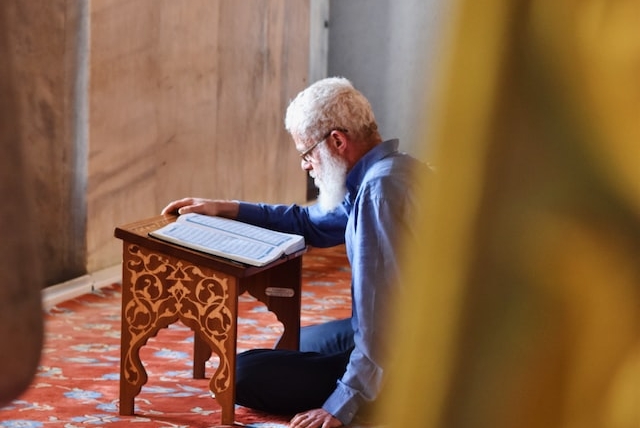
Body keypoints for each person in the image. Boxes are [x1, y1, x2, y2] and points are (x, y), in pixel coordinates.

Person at [162, 77, 428, 428]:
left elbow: (383, 316)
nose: (305, 165)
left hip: (420, 350)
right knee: (295, 344)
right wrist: (229, 208)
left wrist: (339, 406)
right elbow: (310, 223)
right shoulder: (391, 172)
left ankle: (396, 401)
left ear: (337, 141)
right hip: (418, 329)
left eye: (307, 153)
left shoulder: (379, 193)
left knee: (242, 375)